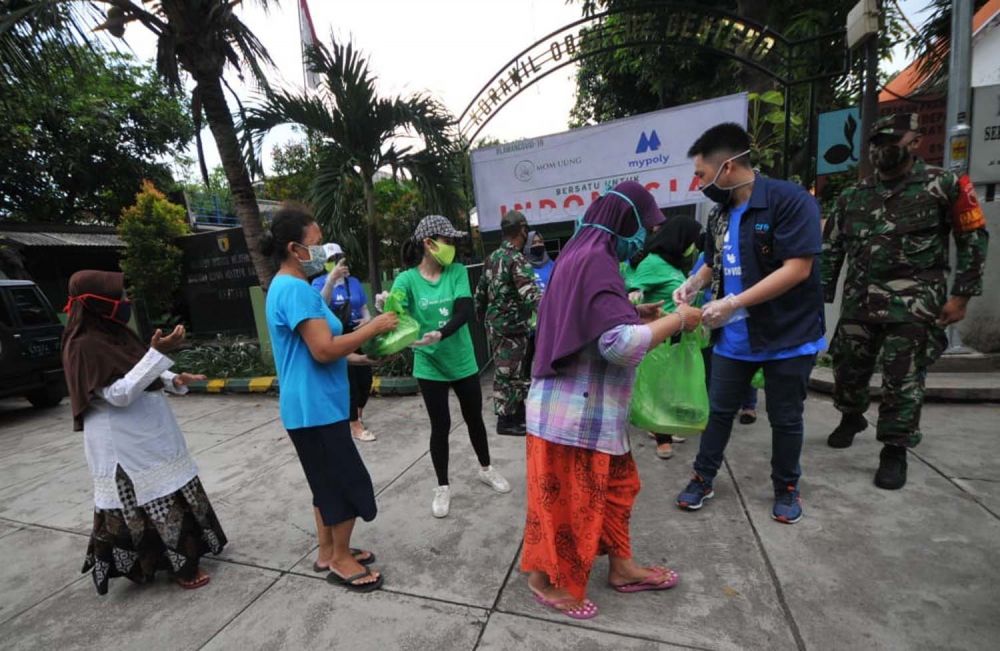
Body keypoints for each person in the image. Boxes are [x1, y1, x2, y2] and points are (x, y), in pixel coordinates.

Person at [522, 181, 703, 620]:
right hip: (573, 416)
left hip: (591, 413)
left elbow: (586, 317)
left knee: (619, 490)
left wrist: (632, 312)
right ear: (628, 222)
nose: (647, 237)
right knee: (570, 503)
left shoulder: (580, 255)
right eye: (645, 226)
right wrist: (679, 319)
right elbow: (618, 346)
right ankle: (546, 579)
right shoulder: (598, 261)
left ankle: (621, 568)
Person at [822, 113, 989, 489]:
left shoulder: (944, 184)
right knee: (847, 366)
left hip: (914, 304)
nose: (883, 149)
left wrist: (961, 296)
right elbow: (831, 248)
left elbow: (973, 239)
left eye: (893, 140)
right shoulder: (854, 195)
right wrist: (822, 294)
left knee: (903, 379)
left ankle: (894, 450)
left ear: (915, 143)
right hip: (860, 300)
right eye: (877, 142)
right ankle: (852, 414)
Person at [673, 123, 826, 525]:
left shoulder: (789, 201)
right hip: (734, 339)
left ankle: (786, 487)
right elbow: (712, 260)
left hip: (787, 336)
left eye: (702, 174)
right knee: (719, 412)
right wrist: (692, 285)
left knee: (786, 418)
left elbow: (798, 268)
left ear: (727, 168)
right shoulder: (720, 214)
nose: (698, 182)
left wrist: (733, 302)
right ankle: (703, 478)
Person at [62, 270, 226, 595]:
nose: (125, 302)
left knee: (173, 489)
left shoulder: (117, 334)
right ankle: (174, 565)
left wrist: (173, 378)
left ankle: (183, 556)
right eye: (119, 296)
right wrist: (158, 355)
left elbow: (139, 369)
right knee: (147, 499)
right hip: (123, 444)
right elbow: (117, 393)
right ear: (97, 302)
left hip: (152, 432)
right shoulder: (82, 346)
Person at [263, 205, 399, 592]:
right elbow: (323, 349)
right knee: (346, 483)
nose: (323, 251)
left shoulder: (292, 287)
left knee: (325, 483)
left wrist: (360, 354)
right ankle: (340, 559)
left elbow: (320, 347)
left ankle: (328, 551)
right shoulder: (294, 290)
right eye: (317, 243)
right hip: (314, 408)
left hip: (313, 405)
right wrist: (374, 324)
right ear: (294, 248)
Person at [384, 214, 511, 518]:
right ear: (428, 244)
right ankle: (442, 486)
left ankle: (486, 468)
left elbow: (464, 311)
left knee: (473, 418)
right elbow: (395, 311)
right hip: (429, 364)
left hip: (461, 360)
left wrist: (440, 333)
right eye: (447, 240)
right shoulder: (406, 280)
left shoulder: (455, 272)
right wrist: (387, 307)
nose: (452, 246)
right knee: (439, 426)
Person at [624, 215, 703, 459]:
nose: (694, 245)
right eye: (692, 240)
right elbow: (632, 291)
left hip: (677, 335)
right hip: (658, 335)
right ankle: (661, 437)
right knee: (656, 386)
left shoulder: (674, 264)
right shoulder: (654, 262)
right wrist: (636, 297)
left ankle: (663, 425)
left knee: (669, 385)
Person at [474, 210, 542, 436]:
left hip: (496, 326)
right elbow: (531, 295)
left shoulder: (491, 258)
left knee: (509, 372)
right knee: (510, 374)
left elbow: (480, 294)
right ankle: (506, 421)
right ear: (523, 230)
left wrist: (481, 317)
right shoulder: (516, 259)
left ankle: (515, 415)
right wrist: (552, 316)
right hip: (512, 328)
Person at [312, 242, 377, 442]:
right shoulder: (318, 283)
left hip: (357, 333)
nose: (335, 262)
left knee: (365, 379)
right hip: (337, 336)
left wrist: (368, 320)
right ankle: (354, 425)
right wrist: (331, 281)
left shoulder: (354, 282)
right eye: (330, 260)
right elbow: (319, 305)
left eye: (337, 258)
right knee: (350, 383)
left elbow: (364, 307)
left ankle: (356, 416)